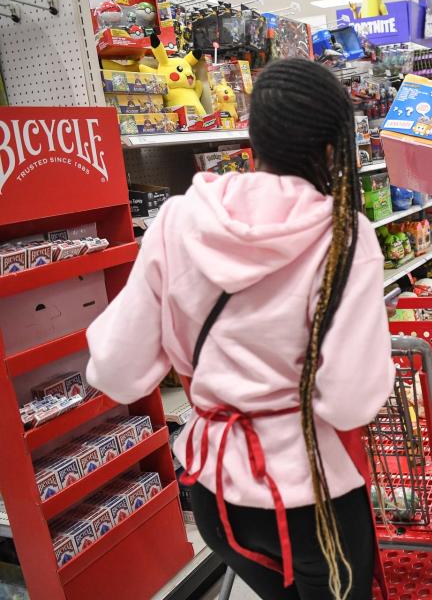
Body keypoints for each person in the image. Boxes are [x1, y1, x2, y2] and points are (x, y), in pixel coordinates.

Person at [85, 58, 395, 600]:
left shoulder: (178, 219)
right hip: (314, 498)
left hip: (215, 492)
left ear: (253, 137)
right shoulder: (345, 232)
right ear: (332, 149)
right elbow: (350, 402)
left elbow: (116, 369)